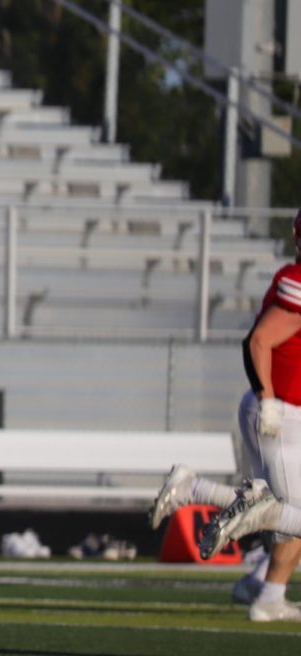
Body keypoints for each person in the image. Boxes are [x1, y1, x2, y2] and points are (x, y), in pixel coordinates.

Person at [151, 208, 301, 621]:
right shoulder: (298, 283)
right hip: (280, 413)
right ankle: (267, 593)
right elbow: (258, 342)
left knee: (282, 511)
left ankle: (193, 490)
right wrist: (268, 398)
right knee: (289, 515)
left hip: (285, 412)